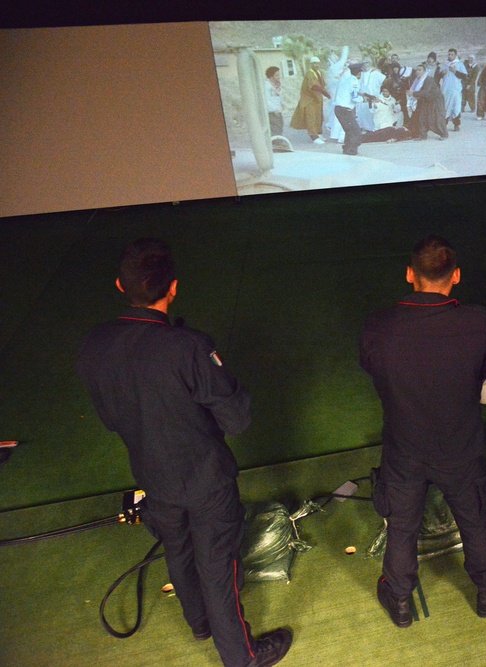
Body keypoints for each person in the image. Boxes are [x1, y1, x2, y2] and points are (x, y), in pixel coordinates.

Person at [76, 239, 292, 667]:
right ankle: (241, 656)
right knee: (218, 565)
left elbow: (110, 417)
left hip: (151, 474)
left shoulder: (94, 344)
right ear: (173, 288)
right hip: (205, 479)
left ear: (121, 285)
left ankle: (199, 624)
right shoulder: (188, 347)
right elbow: (237, 418)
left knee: (178, 548)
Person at [360, 236, 486, 626]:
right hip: (460, 449)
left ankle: (398, 599)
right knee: (473, 518)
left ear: (410, 275)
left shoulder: (379, 326)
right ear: (457, 276)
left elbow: (372, 368)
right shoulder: (477, 321)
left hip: (404, 450)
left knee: (402, 526)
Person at [290, 56, 330, 144]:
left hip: (317, 99)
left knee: (318, 117)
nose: (316, 65)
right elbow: (314, 86)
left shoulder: (318, 73)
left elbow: (322, 85)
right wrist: (326, 94)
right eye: (314, 63)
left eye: (317, 63)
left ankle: (319, 134)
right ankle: (314, 137)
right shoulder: (310, 73)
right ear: (311, 64)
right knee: (311, 118)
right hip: (310, 99)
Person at [408, 64, 448, 141]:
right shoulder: (417, 80)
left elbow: (425, 92)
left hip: (435, 101)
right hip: (425, 101)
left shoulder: (428, 79)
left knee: (436, 118)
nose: (418, 72)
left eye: (420, 70)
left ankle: (444, 134)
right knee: (422, 117)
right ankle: (422, 135)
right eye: (417, 70)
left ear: (424, 71)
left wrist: (413, 93)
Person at [334, 61, 364, 156]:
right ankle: (351, 151)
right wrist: (363, 99)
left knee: (349, 130)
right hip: (344, 110)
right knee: (355, 131)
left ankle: (347, 149)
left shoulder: (348, 80)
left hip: (340, 109)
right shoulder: (354, 82)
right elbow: (354, 97)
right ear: (359, 73)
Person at [323, 45, 350, 142]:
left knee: (335, 115)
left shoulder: (331, 72)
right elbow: (343, 58)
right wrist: (345, 48)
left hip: (335, 100)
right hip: (340, 100)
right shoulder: (335, 68)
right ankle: (341, 136)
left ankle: (337, 133)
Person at [440, 48, 468, 131]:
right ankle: (444, 125)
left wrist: (455, 71)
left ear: (455, 55)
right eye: (448, 54)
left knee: (456, 107)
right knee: (445, 107)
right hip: (446, 89)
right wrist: (442, 73)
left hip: (455, 90)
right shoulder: (446, 64)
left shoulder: (459, 64)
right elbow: (439, 75)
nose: (450, 56)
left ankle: (456, 124)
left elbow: (465, 76)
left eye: (451, 54)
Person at [264, 66, 284, 138]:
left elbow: (279, 96)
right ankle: (276, 144)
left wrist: (282, 104)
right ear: (271, 76)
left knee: (279, 127)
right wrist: (273, 110)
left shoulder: (278, 84)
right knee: (275, 129)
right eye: (277, 75)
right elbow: (266, 100)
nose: (279, 77)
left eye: (279, 74)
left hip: (278, 110)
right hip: (272, 112)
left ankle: (278, 143)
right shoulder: (266, 86)